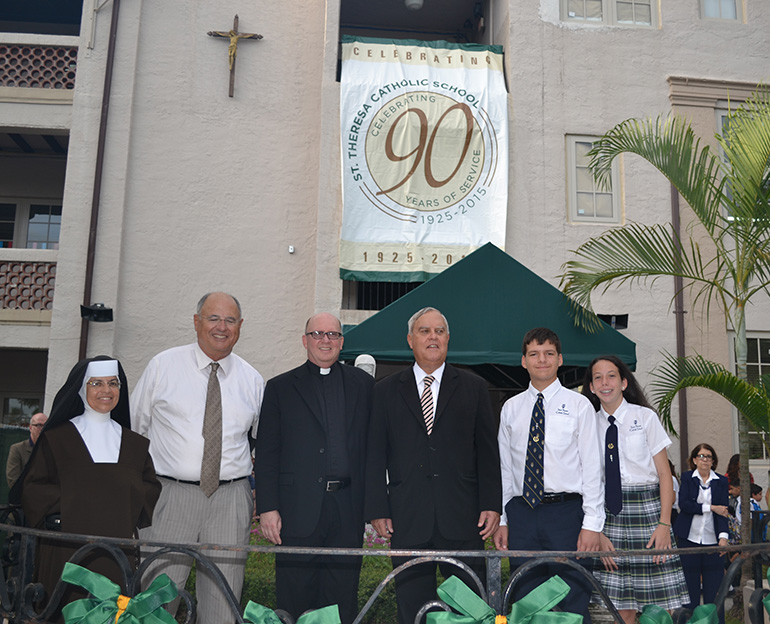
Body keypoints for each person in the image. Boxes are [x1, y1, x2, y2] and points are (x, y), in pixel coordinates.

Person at [131, 292, 264, 623]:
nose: (222, 327)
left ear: (240, 326)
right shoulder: (163, 366)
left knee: (223, 601)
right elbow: (135, 430)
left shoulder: (252, 380)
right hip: (170, 497)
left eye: (230, 320)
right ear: (196, 322)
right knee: (156, 600)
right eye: (213, 318)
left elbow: (263, 442)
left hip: (231, 500)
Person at [365, 307, 501, 624]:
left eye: (439, 331)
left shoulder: (475, 387)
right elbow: (374, 453)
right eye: (425, 331)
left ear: (448, 339)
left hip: (464, 518)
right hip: (407, 518)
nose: (433, 337)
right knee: (412, 610)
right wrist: (376, 508)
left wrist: (491, 504)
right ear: (410, 339)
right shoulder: (384, 390)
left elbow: (487, 452)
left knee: (470, 608)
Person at [13, 356, 160, 609]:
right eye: (97, 383)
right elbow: (34, 489)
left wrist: (110, 502)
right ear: (81, 388)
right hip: (66, 550)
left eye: (113, 383)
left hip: (117, 551)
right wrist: (89, 502)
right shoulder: (57, 439)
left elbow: (149, 487)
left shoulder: (135, 444)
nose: (106, 390)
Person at [255, 313, 373, 624]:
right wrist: (268, 507)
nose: (325, 340)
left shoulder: (364, 385)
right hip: (297, 509)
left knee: (341, 599)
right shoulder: (280, 387)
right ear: (305, 340)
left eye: (333, 335)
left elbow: (373, 450)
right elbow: (267, 452)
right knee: (295, 597)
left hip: (347, 508)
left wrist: (375, 506)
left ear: (342, 342)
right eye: (318, 334)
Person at [494, 327, 603, 622]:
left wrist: (592, 524)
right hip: (522, 515)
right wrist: (503, 520)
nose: (542, 360)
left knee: (573, 600)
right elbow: (505, 468)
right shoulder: (510, 408)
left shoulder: (580, 405)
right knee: (525, 602)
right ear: (523, 361)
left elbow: (592, 467)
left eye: (549, 354)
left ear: (560, 359)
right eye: (534, 354)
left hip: (567, 515)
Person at [581, 355, 689, 624]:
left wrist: (664, 524)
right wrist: (599, 532)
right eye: (598, 377)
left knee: (660, 607)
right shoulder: (587, 423)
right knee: (622, 609)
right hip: (609, 516)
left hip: (649, 512)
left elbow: (665, 475)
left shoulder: (646, 417)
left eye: (611, 376)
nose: (605, 382)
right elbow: (587, 479)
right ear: (592, 387)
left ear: (624, 382)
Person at [673, 443, 729, 624]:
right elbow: (685, 505)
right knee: (690, 591)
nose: (705, 459)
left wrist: (723, 538)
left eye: (709, 456)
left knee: (714, 590)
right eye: (701, 456)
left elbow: (723, 513)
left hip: (712, 541)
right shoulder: (688, 478)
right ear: (694, 459)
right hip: (688, 539)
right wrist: (711, 507)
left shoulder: (721, 481)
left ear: (713, 461)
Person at [6, 412, 47, 487]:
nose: (42, 429)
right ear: (30, 428)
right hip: (26, 497)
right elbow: (13, 480)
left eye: (45, 426)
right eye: (38, 425)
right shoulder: (17, 449)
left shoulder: (52, 450)